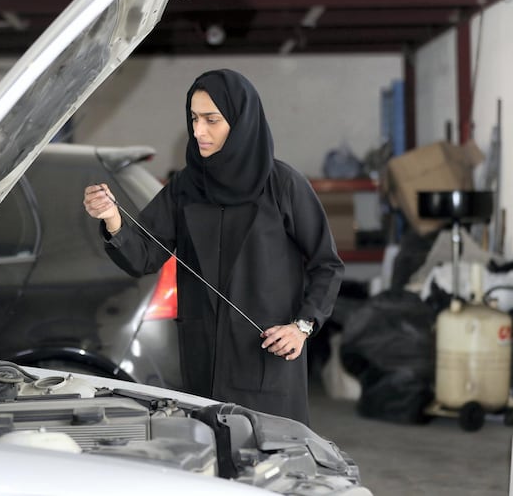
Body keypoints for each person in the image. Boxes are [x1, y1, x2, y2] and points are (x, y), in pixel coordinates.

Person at [82, 68, 343, 425]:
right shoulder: (186, 187)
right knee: (211, 462)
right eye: (193, 118)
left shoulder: (283, 186)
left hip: (267, 359)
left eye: (211, 120)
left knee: (271, 465)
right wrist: (112, 217)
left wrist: (302, 326)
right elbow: (143, 256)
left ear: (240, 121)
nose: (198, 131)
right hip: (202, 363)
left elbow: (326, 265)